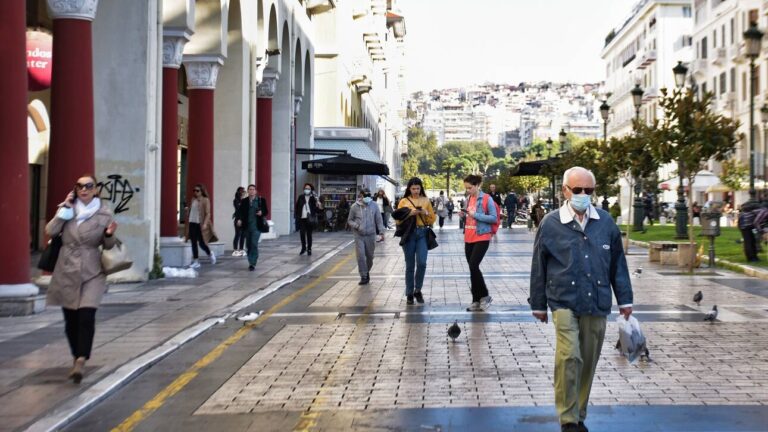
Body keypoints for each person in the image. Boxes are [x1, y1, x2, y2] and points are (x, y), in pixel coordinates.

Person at [530, 167, 633, 432]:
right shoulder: (551, 223)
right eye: (578, 190)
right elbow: (539, 266)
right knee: (569, 356)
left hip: (596, 301)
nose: (584, 195)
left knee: (588, 359)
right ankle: (568, 418)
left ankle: (579, 413)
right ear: (565, 190)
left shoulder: (606, 222)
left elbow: (617, 264)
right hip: (562, 299)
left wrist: (625, 300)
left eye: (589, 190)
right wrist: (539, 304)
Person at [45, 174, 119, 383]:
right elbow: (50, 230)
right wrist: (64, 210)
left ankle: (80, 360)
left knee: (86, 315)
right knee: (71, 320)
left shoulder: (104, 213)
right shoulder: (66, 209)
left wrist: (109, 234)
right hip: (66, 268)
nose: (84, 189)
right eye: (79, 186)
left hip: (92, 269)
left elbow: (109, 245)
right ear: (75, 190)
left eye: (89, 186)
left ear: (96, 189)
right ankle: (76, 353)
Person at [396, 177, 436, 305]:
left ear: (421, 188)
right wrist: (410, 214)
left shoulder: (425, 200)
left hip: (422, 233)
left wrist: (424, 212)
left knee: (422, 263)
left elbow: (432, 219)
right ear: (409, 188)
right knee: (409, 265)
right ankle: (409, 293)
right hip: (409, 234)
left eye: (418, 188)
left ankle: (417, 289)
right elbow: (397, 219)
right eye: (413, 188)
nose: (416, 191)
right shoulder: (403, 201)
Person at [461, 175, 497, 312]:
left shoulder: (487, 199)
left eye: (470, 188)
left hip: (482, 236)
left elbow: (493, 218)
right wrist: (464, 215)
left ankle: (485, 296)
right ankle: (476, 300)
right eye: (466, 188)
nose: (468, 190)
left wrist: (474, 215)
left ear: (477, 186)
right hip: (468, 237)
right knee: (472, 269)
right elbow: (469, 215)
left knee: (473, 265)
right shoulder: (469, 199)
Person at [347, 189, 385, 285]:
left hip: (371, 235)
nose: (368, 197)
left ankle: (366, 271)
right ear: (361, 196)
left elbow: (379, 219)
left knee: (370, 257)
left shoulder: (374, 205)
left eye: (369, 195)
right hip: (359, 235)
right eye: (365, 195)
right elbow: (350, 220)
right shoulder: (354, 207)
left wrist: (381, 232)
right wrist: (357, 226)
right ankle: (363, 275)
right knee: (361, 256)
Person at [236, 185, 268, 270]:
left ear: (256, 191)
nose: (251, 191)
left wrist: (261, 212)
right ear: (248, 191)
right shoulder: (244, 201)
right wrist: (239, 219)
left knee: (254, 243)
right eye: (250, 189)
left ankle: (252, 263)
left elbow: (266, 211)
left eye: (253, 189)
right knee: (248, 245)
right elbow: (239, 212)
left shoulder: (261, 200)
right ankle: (250, 259)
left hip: (257, 226)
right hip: (247, 226)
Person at [185, 184, 217, 268]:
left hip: (200, 224)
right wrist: (187, 210)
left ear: (201, 191)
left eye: (197, 191)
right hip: (192, 223)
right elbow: (191, 211)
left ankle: (210, 253)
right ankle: (196, 261)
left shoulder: (205, 200)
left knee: (202, 243)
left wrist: (205, 223)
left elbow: (208, 213)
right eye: (194, 190)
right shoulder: (193, 199)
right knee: (193, 242)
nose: (195, 192)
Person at [295, 183, 322, 255]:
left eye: (308, 189)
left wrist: (318, 204)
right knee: (302, 234)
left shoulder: (313, 198)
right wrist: (297, 216)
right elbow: (297, 207)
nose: (307, 190)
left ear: (311, 190)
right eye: (306, 188)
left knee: (309, 234)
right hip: (302, 218)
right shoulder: (300, 197)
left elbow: (317, 209)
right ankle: (303, 248)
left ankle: (309, 248)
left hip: (310, 218)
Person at [231, 186, 246, 256]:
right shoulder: (236, 200)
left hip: (244, 219)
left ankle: (241, 249)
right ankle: (235, 249)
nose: (243, 193)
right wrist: (239, 219)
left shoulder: (245, 200)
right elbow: (238, 210)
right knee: (238, 234)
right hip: (238, 219)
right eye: (242, 191)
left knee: (243, 235)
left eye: (244, 191)